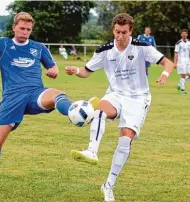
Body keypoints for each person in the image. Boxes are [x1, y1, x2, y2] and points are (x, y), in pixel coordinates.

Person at [0, 9, 98, 192]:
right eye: (22, 28)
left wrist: (54, 71)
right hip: (12, 99)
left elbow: (53, 67)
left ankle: (74, 111)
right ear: (14, 28)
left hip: (35, 93)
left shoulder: (38, 47)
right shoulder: (3, 45)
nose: (25, 32)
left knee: (58, 93)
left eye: (28, 30)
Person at [65, 13, 174, 202]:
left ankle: (108, 185)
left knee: (125, 142)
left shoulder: (141, 47)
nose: (120, 36)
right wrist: (75, 71)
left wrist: (165, 73)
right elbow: (86, 71)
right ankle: (91, 150)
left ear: (131, 31)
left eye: (124, 32)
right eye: (117, 32)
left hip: (139, 99)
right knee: (99, 110)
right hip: (116, 94)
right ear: (113, 30)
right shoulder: (105, 50)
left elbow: (168, 62)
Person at [174, 29, 190, 94]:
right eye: (182, 34)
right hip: (181, 60)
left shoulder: (189, 42)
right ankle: (182, 90)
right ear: (181, 35)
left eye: (185, 33)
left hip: (188, 60)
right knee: (183, 75)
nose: (184, 35)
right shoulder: (178, 43)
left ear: (187, 35)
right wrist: (175, 63)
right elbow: (176, 53)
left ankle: (179, 84)